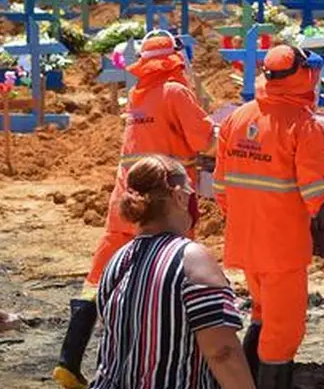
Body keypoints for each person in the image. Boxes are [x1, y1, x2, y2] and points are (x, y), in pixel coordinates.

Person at [54, 30, 216, 389]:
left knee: (99, 278)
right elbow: (204, 140)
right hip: (165, 203)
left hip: (125, 198)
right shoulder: (174, 91)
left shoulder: (138, 92)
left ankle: (69, 360)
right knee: (169, 278)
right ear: (175, 56)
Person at [213, 45, 324, 389]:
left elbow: (221, 188)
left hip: (246, 244)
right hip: (281, 249)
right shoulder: (303, 125)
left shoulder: (237, 119)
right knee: (283, 333)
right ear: (299, 75)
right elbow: (316, 193)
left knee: (262, 315)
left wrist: (249, 220)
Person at [90, 155, 255, 389]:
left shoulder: (117, 260)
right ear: (178, 196)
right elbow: (222, 352)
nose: (194, 198)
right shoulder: (192, 259)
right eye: (190, 190)